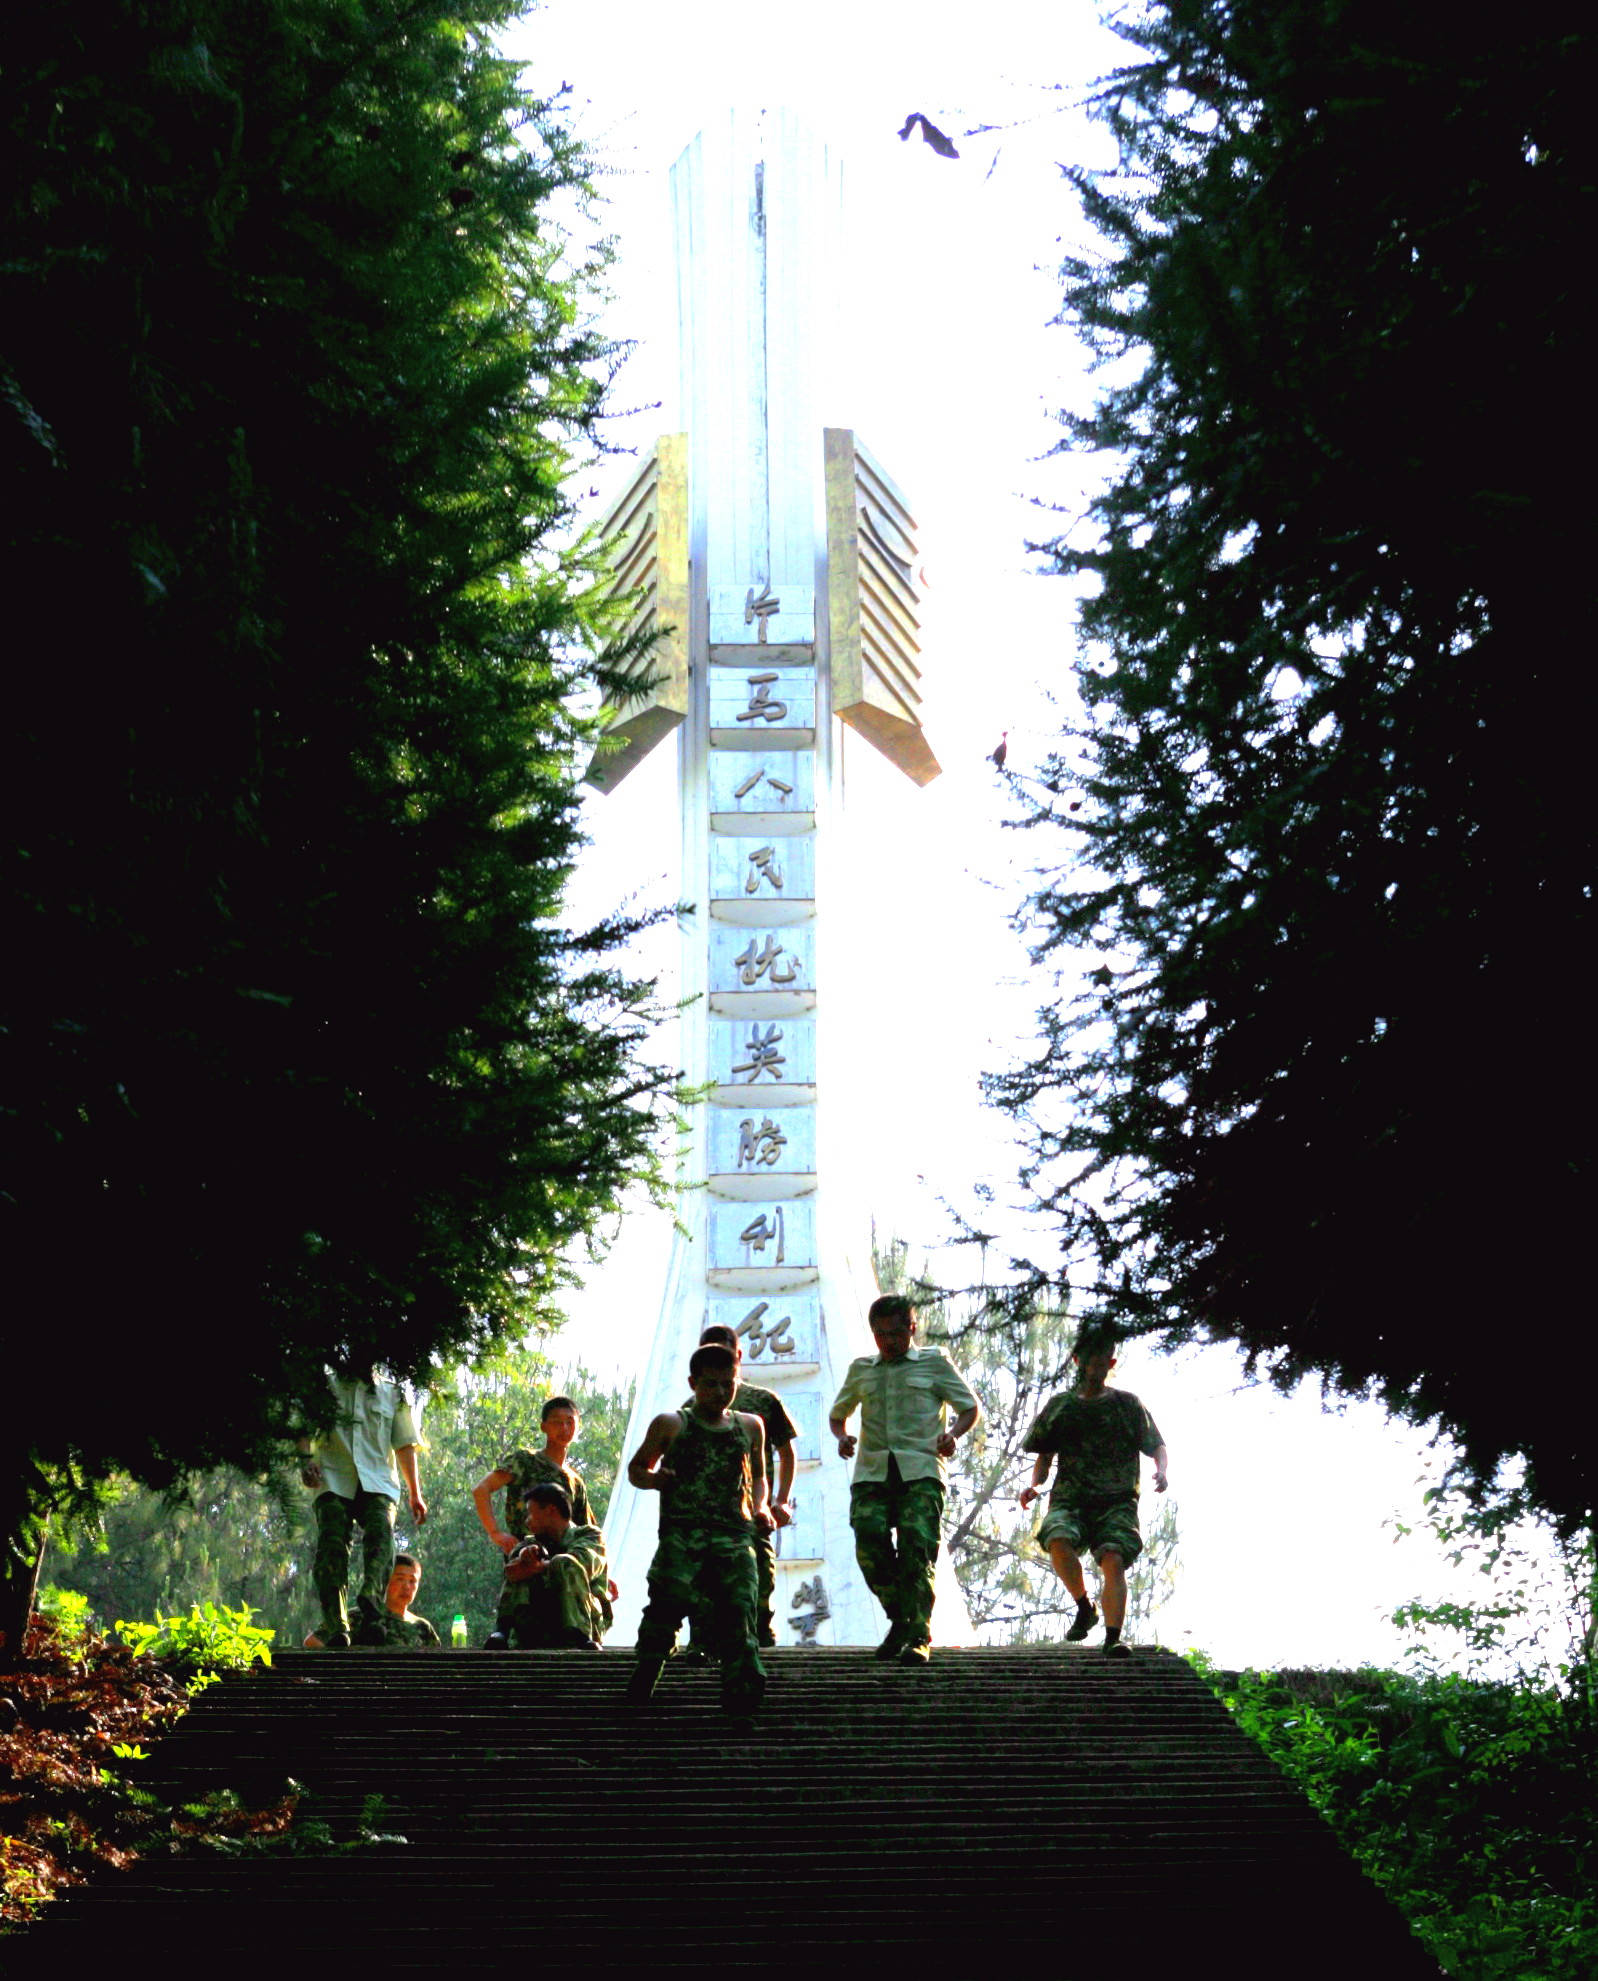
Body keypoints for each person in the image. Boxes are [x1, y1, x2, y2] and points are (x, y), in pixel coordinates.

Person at [829, 1294, 979, 1666]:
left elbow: (969, 1406)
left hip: (920, 1471)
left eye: (896, 1333)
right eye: (880, 1334)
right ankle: (901, 1617)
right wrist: (843, 1437)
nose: (888, 1341)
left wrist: (953, 1434)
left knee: (917, 1547)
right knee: (869, 1543)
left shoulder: (934, 1361)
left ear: (912, 1328)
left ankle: (917, 1636)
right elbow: (838, 1414)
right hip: (873, 1473)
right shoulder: (862, 1369)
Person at [625, 1343, 773, 1714]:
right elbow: (637, 1468)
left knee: (740, 1613)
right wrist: (655, 1479)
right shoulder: (671, 1424)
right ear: (693, 1383)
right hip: (682, 1535)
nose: (721, 1392)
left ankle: (742, 1700)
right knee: (665, 1609)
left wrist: (760, 1507)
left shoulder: (750, 1426)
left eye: (728, 1384)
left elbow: (758, 1477)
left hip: (734, 1536)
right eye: (711, 1384)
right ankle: (646, 1676)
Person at [1018, 1326, 1169, 1657]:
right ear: (1077, 1361)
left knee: (1113, 1557)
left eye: (1103, 1362)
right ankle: (1085, 1607)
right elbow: (1045, 1454)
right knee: (1057, 1537)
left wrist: (1161, 1470)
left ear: (1111, 1363)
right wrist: (1035, 1486)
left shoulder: (1127, 1404)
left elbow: (1156, 1444)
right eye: (1090, 1361)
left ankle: (1113, 1638)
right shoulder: (1060, 1406)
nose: (1096, 1369)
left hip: (1117, 1501)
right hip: (1071, 1498)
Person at [682, 1323, 797, 1651]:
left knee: (759, 1571)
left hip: (752, 1509)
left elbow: (786, 1451)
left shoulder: (762, 1401)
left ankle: (758, 1633)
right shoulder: (689, 1408)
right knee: (703, 1577)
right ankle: (702, 1642)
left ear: (739, 1356)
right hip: (707, 1512)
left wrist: (780, 1500)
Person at [299, 1361, 427, 1649]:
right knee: (332, 1548)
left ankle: (371, 1604)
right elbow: (304, 1430)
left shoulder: (393, 1393)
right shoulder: (324, 1388)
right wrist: (306, 1461)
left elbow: (405, 1444)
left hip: (378, 1481)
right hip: (333, 1478)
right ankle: (336, 1625)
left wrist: (415, 1493)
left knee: (382, 1533)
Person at [472, 1396, 604, 1650]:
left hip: (565, 1563)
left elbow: (587, 1533)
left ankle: (578, 1634)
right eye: (556, 1422)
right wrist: (495, 1533)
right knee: (522, 1561)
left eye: (570, 1422)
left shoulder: (575, 1482)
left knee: (566, 1567)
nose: (564, 1428)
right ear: (543, 1426)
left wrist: (604, 1574)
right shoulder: (525, 1461)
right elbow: (482, 1489)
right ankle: (503, 1630)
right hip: (528, 1551)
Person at [497, 1482, 608, 1649]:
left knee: (563, 1562)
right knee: (521, 1567)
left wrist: (540, 1567)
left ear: (551, 1510)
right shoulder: (531, 1542)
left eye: (531, 1513)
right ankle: (501, 1631)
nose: (527, 1521)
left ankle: (579, 1635)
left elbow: (583, 1563)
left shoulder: (590, 1535)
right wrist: (524, 1558)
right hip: (539, 1626)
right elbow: (510, 1572)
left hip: (587, 1622)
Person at [355, 1552, 442, 1649]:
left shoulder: (423, 1628)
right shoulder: (359, 1618)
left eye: (412, 1581)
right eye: (400, 1579)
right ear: (386, 1580)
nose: (407, 1587)